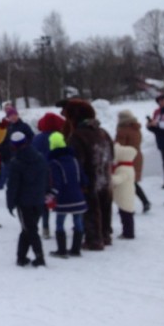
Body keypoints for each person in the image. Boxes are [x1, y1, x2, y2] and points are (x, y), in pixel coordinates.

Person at [61, 99, 114, 250]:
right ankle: (105, 234)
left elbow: (76, 161)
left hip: (89, 178)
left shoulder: (78, 135)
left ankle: (94, 240)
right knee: (105, 206)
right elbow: (111, 154)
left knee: (91, 209)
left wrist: (76, 181)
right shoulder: (103, 132)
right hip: (105, 176)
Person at [6, 131, 49, 267]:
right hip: (39, 199)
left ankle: (39, 257)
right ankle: (21, 257)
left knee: (30, 230)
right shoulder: (40, 157)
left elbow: (13, 185)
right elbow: (47, 176)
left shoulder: (16, 162)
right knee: (29, 228)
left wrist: (10, 203)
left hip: (24, 202)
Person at [47, 132, 88, 258]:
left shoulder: (54, 163)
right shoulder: (74, 160)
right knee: (78, 222)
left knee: (60, 223)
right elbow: (83, 179)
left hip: (63, 199)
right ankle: (76, 249)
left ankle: (62, 250)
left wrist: (51, 195)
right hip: (78, 197)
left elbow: (57, 183)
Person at [115, 110, 150, 212]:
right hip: (137, 156)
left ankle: (128, 205)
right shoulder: (136, 128)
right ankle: (144, 201)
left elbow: (119, 146)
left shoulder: (122, 130)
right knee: (132, 181)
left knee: (127, 183)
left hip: (126, 158)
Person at [112, 142, 137, 240]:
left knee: (126, 215)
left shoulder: (124, 169)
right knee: (126, 215)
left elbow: (118, 180)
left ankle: (128, 233)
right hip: (126, 194)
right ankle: (128, 232)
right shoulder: (128, 167)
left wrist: (109, 177)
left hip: (124, 195)